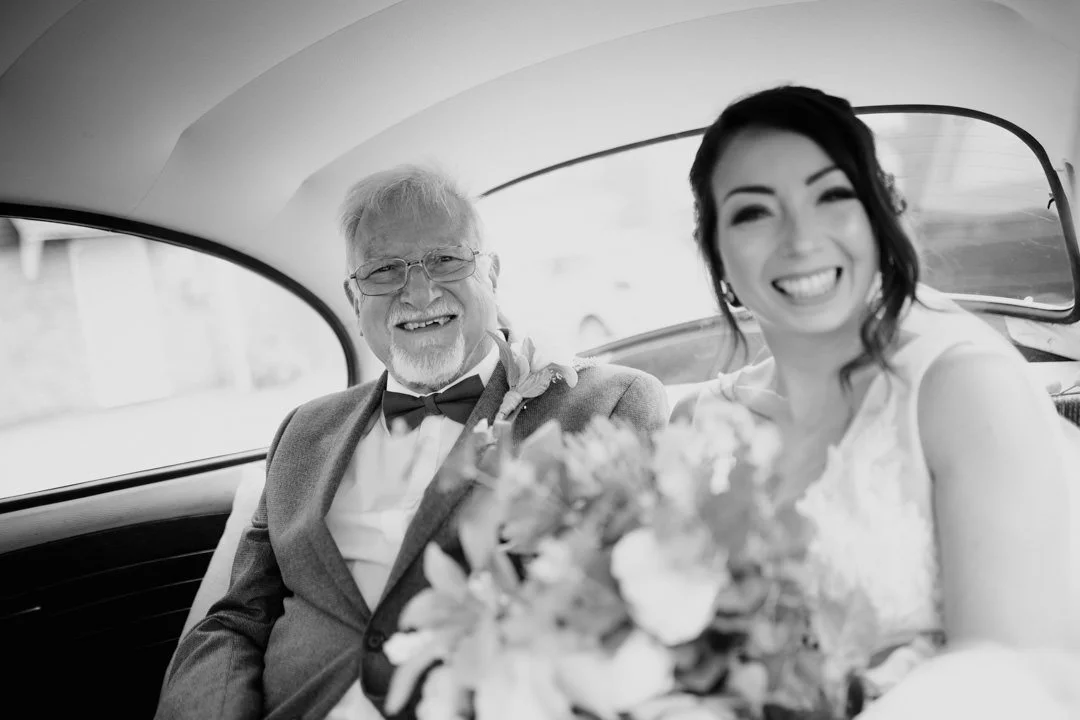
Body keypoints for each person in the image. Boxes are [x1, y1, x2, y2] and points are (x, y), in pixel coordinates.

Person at [156, 165, 669, 720]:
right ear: (354, 302)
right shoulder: (302, 432)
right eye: (383, 270)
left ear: (491, 276)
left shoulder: (603, 405)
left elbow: (637, 612)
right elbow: (237, 620)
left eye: (446, 260)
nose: (419, 292)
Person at [674, 85, 1077, 680]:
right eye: (754, 211)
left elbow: (1010, 677)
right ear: (715, 253)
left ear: (879, 220)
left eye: (833, 196)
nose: (801, 240)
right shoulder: (697, 427)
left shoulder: (963, 387)